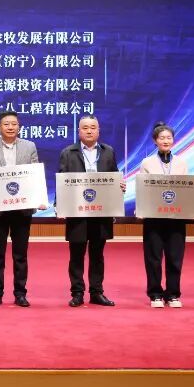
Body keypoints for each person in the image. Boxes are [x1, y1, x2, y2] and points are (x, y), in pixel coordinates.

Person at [0, 110, 45, 308]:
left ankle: (20, 293)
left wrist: (39, 198)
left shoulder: (29, 146)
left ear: (19, 127)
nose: (10, 127)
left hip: (22, 209)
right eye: (6, 124)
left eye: (14, 124)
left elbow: (34, 175)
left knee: (20, 254)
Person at [57, 114, 125, 307]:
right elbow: (62, 180)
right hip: (77, 211)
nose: (89, 131)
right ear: (78, 131)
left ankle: (96, 292)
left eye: (93, 127)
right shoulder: (68, 152)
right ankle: (77, 293)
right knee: (76, 254)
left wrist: (119, 187)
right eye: (85, 128)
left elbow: (114, 176)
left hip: (101, 211)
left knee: (97, 254)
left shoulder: (108, 151)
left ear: (98, 131)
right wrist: (59, 205)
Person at [139, 122, 189, 308]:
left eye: (169, 138)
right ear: (155, 141)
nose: (166, 141)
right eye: (162, 138)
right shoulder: (147, 163)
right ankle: (155, 295)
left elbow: (187, 190)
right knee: (153, 258)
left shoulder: (182, 162)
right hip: (154, 217)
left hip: (176, 217)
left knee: (175, 257)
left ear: (173, 140)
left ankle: (173, 294)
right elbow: (143, 189)